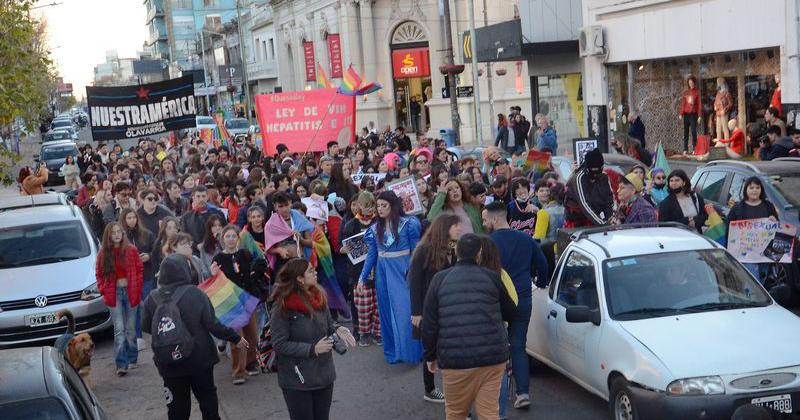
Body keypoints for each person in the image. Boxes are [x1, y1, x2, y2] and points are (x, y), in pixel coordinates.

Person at [421, 234, 516, 420]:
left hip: (455, 360)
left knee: (456, 414)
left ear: (456, 251)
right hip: (492, 358)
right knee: (489, 414)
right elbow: (511, 312)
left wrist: (430, 356)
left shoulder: (440, 280)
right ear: (479, 254)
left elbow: (430, 324)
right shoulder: (492, 277)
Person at [142, 254, 248, 420]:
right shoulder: (195, 294)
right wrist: (235, 338)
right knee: (208, 401)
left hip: (169, 362)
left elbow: (147, 326)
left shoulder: (151, 298)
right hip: (200, 359)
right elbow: (213, 325)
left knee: (177, 409)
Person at [271, 258, 356, 420]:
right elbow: (279, 344)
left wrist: (338, 329)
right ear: (299, 278)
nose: (315, 272)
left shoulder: (318, 295)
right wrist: (312, 349)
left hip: (324, 376)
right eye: (310, 270)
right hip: (297, 380)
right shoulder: (282, 305)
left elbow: (329, 326)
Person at [482, 201, 548, 409]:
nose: (484, 223)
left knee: (496, 348)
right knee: (519, 345)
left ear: (494, 218)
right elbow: (543, 263)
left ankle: (496, 397)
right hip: (523, 297)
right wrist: (541, 282)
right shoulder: (525, 239)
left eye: (485, 220)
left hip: (496, 300)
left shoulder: (488, 243)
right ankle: (523, 393)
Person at [359, 191, 422, 364]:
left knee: (405, 311)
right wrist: (362, 278)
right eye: (378, 205)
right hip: (382, 271)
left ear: (393, 206)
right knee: (386, 312)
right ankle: (394, 351)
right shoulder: (374, 229)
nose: (380, 209)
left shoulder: (409, 224)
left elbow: (416, 251)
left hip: (403, 269)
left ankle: (411, 351)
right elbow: (372, 254)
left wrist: (414, 270)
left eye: (384, 205)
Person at [408, 213, 461, 404]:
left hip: (446, 306)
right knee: (430, 347)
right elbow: (414, 282)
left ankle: (448, 387)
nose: (459, 229)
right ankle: (429, 389)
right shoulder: (425, 249)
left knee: (443, 346)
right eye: (455, 226)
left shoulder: (453, 249)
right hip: (427, 307)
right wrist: (416, 311)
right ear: (444, 227)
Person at [212, 225, 262, 384]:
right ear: (223, 239)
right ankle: (238, 371)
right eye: (228, 236)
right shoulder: (218, 258)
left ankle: (251, 364)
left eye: (234, 236)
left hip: (247, 298)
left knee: (252, 335)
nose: (231, 239)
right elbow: (214, 280)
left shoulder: (245, 254)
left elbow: (259, 264)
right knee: (237, 338)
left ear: (238, 239)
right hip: (231, 302)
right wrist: (213, 274)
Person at [95, 222, 143, 377]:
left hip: (130, 291)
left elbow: (139, 269)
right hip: (113, 292)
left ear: (122, 234)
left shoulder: (131, 250)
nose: (116, 235)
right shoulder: (103, 253)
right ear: (108, 235)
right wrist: (103, 289)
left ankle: (132, 358)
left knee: (130, 327)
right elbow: (99, 274)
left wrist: (137, 285)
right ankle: (121, 364)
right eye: (113, 232)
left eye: (118, 232)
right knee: (119, 329)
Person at [340, 192, 381, 346]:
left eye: (372, 206)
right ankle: (363, 332)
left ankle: (378, 333)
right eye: (366, 206)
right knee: (363, 305)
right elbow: (342, 245)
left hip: (378, 267)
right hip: (358, 269)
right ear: (358, 206)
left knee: (378, 303)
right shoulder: (351, 225)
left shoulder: (379, 222)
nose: (369, 209)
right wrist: (344, 249)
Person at [727, 176, 779, 283]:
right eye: (751, 188)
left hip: (765, 253)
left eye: (757, 187)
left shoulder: (768, 206)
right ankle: (755, 298)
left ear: (761, 190)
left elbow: (776, 228)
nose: (754, 190)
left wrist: (774, 221)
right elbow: (729, 230)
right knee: (754, 282)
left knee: (762, 280)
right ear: (746, 190)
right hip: (746, 254)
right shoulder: (737, 207)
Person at [564, 149, 614, 227]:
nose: (595, 175)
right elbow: (584, 204)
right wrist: (602, 224)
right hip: (576, 220)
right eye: (593, 171)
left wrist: (610, 219)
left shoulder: (603, 177)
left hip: (594, 216)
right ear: (587, 168)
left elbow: (608, 201)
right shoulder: (579, 178)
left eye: (598, 171)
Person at [658, 169, 708, 233]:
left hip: (697, 237)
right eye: (671, 181)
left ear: (684, 182)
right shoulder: (665, 203)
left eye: (677, 180)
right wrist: (686, 221)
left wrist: (695, 221)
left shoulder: (696, 197)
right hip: (677, 238)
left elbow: (704, 215)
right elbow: (663, 225)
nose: (674, 183)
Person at [679, 75, 701, 153]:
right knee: (686, 132)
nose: (691, 84)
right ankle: (685, 148)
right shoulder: (686, 92)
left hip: (693, 114)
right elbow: (683, 103)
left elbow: (699, 104)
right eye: (689, 83)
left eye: (692, 82)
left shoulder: (697, 92)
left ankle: (694, 148)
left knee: (693, 131)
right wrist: (681, 113)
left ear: (694, 83)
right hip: (686, 114)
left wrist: (699, 115)